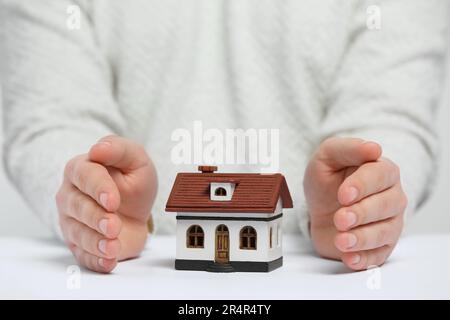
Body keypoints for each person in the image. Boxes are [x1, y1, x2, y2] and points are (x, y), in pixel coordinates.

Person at [1, 0, 448, 273]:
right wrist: (95, 195)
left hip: (319, 267)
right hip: (126, 269)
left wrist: (360, 194)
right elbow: (49, 109)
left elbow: (394, 111)